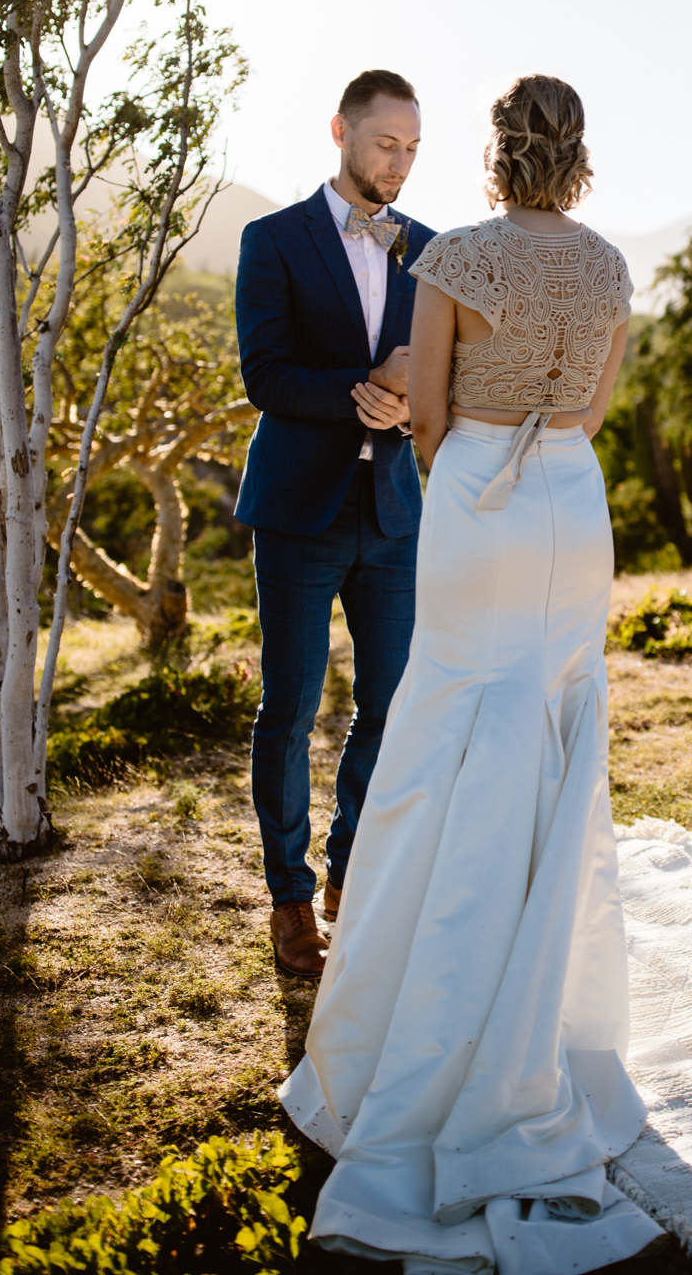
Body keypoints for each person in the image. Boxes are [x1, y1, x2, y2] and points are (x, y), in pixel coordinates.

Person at [279, 73, 655, 1271]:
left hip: (481, 507)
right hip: (570, 506)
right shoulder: (607, 269)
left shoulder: (457, 264)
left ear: (494, 155)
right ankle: (538, 1018)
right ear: (577, 154)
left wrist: (457, 457)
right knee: (553, 734)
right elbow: (594, 409)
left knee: (446, 737)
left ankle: (428, 1023)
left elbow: (426, 420)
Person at [234, 69, 431, 980]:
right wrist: (363, 398)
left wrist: (410, 407)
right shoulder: (271, 239)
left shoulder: (429, 251)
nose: (399, 163)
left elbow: (442, 382)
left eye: (412, 149)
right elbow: (265, 376)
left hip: (394, 512)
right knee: (291, 707)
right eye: (386, 143)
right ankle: (289, 898)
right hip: (298, 514)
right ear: (341, 133)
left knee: (392, 706)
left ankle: (354, 876)